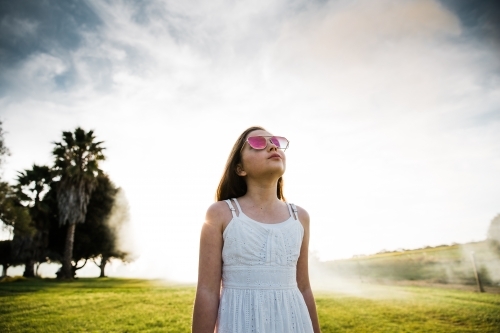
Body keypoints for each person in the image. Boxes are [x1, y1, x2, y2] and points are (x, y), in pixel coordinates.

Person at [192, 126, 321, 333]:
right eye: (258, 143)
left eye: (276, 142)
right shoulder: (220, 214)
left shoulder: (300, 217)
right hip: (239, 323)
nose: (271, 146)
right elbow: (207, 291)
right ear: (240, 169)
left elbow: (304, 287)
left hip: (294, 323)